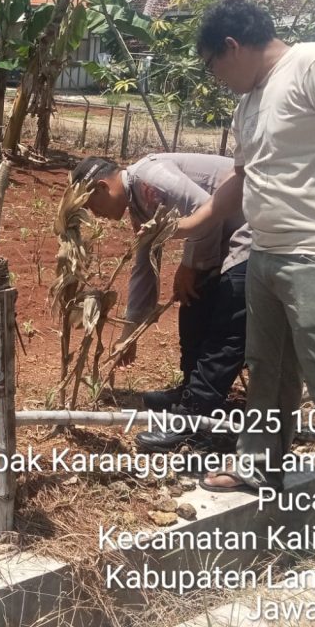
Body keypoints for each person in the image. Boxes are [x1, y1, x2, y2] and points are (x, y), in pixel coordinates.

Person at [178, 0, 315, 510]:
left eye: (212, 65)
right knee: (269, 371)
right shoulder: (250, 101)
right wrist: (189, 225)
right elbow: (243, 176)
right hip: (268, 254)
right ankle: (259, 465)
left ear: (231, 47)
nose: (215, 78)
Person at [71, 154, 250, 452]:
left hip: (252, 234)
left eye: (91, 205)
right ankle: (191, 392)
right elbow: (145, 264)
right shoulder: (139, 202)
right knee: (192, 309)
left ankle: (196, 419)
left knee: (224, 328)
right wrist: (130, 333)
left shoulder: (149, 177)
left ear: (102, 187)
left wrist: (190, 266)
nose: (95, 214)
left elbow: (205, 209)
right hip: (225, 243)